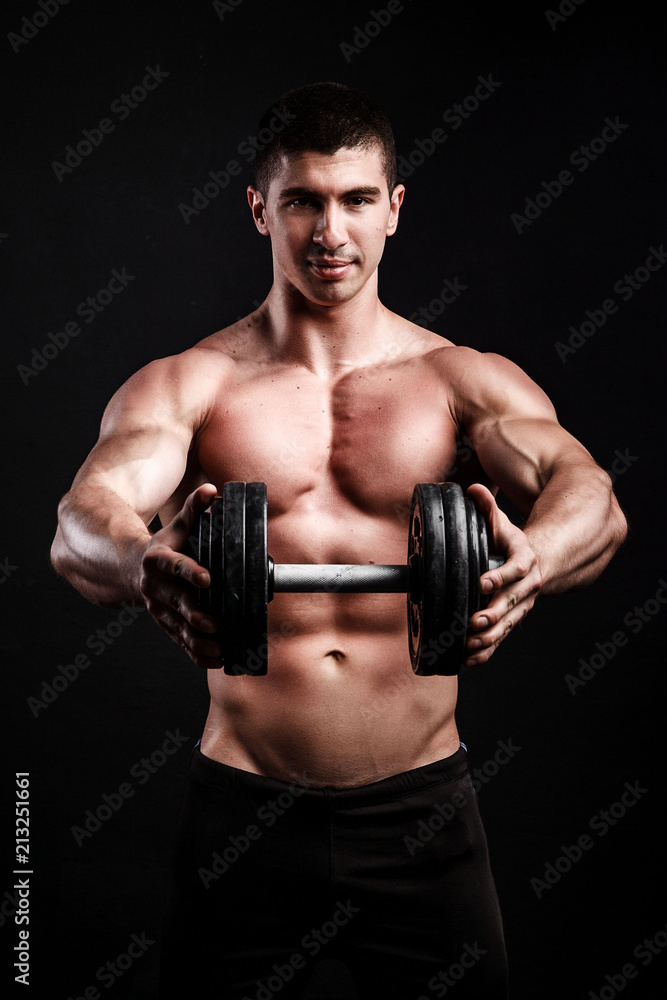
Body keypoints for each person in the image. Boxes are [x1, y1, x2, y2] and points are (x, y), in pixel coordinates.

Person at [51, 82, 627, 999]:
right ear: (258, 209)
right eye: (304, 201)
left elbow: (590, 496)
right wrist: (138, 561)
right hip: (241, 809)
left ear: (394, 210)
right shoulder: (190, 383)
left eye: (357, 200)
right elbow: (83, 518)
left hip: (421, 815)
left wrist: (536, 563)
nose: (332, 231)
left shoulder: (457, 378)